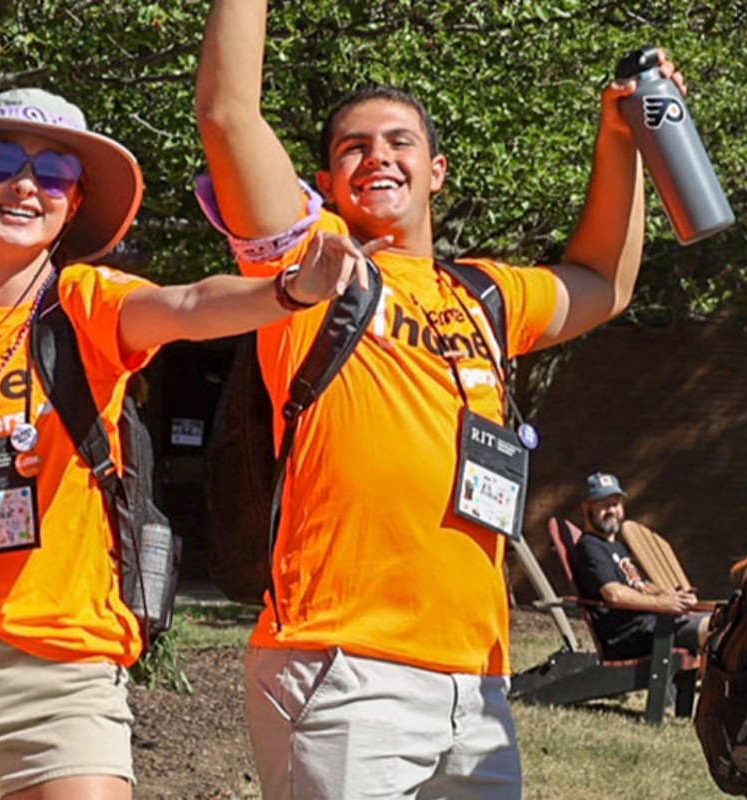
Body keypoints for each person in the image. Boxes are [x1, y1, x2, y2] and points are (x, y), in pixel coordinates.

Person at [0, 86, 360, 799]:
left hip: (59, 668)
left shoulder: (85, 304)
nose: (25, 184)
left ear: (73, 202)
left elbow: (190, 305)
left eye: (52, 173)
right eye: (1, 161)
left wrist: (289, 292)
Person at [194, 1, 682, 795]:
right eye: (352, 148)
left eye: (399, 142)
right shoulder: (311, 269)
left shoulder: (483, 293)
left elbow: (602, 283)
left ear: (437, 170)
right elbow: (227, 113)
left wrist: (620, 138)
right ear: (323, 182)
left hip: (477, 680)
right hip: (341, 663)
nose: (376, 158)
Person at [569, 472, 710, 661]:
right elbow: (613, 594)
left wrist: (671, 595)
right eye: (604, 504)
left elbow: (640, 585)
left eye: (616, 503)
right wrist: (660, 603)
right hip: (628, 635)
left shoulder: (616, 547)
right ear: (587, 508)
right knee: (713, 628)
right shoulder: (590, 547)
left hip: (652, 624)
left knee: (723, 621)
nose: (612, 510)